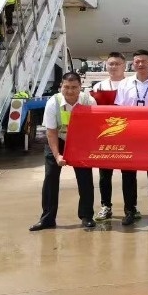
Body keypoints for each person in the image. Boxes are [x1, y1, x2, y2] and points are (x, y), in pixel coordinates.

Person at [29, 72, 97, 231]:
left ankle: (87, 216)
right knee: (50, 177)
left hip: (80, 141)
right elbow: (51, 132)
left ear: (80, 87)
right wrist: (57, 155)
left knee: (85, 179)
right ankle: (47, 219)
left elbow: (93, 128)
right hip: (58, 139)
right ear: (61, 86)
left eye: (74, 87)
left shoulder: (89, 101)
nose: (70, 91)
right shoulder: (53, 102)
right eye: (66, 87)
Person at [115, 49, 148, 226]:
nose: (140, 64)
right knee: (128, 174)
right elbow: (118, 109)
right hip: (130, 135)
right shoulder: (125, 84)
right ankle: (130, 210)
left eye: (143, 61)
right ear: (132, 64)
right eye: (137, 61)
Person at [90, 52, 126, 221]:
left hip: (127, 134)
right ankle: (106, 205)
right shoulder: (99, 86)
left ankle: (130, 208)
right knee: (105, 174)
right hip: (105, 134)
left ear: (124, 66)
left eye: (117, 64)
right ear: (106, 66)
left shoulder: (130, 84)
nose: (114, 67)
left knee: (128, 173)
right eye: (111, 63)